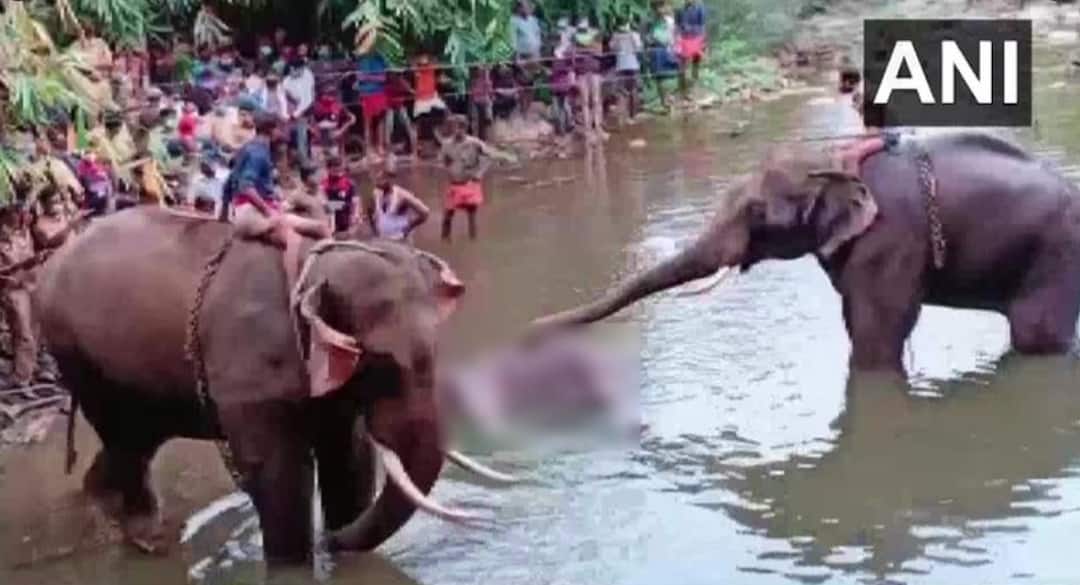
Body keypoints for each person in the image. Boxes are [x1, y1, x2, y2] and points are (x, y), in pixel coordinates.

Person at [439, 115, 515, 241]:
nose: (456, 131)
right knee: (447, 216)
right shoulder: (446, 144)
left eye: (459, 128)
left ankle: (473, 242)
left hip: (470, 184)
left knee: (471, 217)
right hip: (454, 184)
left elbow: (490, 155)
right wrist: (449, 170)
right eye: (454, 128)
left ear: (465, 128)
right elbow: (444, 162)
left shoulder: (474, 143)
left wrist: (480, 173)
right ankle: (445, 242)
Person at [0, 204, 41, 388]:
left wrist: (36, 260)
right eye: (14, 213)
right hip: (12, 290)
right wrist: (20, 266)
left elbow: (29, 260)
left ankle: (27, 371)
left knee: (32, 332)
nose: (18, 217)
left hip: (30, 287)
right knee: (23, 334)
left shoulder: (23, 235)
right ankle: (21, 377)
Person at [369, 160, 429, 242]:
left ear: (389, 179)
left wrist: (408, 228)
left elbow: (425, 212)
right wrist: (374, 230)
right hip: (382, 240)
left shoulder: (402, 195)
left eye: (380, 179)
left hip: (400, 240)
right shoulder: (376, 193)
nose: (377, 183)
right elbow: (369, 210)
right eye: (376, 180)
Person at [574, 17, 606, 143]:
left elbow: (599, 52)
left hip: (595, 73)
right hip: (582, 73)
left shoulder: (596, 36)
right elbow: (573, 54)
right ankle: (588, 130)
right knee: (585, 102)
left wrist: (585, 50)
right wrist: (588, 50)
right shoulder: (575, 38)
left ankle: (598, 127)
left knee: (596, 100)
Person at [355, 45, 390, 157]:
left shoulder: (380, 59)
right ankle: (369, 148)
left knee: (380, 121)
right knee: (367, 123)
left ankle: (380, 146)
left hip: (379, 92)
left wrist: (368, 77)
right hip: (366, 93)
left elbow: (383, 78)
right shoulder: (361, 60)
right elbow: (359, 77)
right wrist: (369, 78)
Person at [648, 3, 680, 109]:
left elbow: (674, 35)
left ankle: (669, 97)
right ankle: (664, 101)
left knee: (670, 75)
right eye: (658, 7)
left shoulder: (669, 21)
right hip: (657, 51)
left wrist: (675, 47)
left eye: (662, 7)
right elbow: (647, 37)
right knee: (660, 77)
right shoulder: (650, 22)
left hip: (667, 50)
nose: (660, 10)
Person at [610, 22, 644, 122]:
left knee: (622, 91)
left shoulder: (615, 36)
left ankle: (624, 116)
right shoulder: (634, 35)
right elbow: (639, 48)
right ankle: (632, 116)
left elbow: (612, 48)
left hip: (621, 65)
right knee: (632, 90)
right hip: (632, 65)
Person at [312, 86, 356, 162]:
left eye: (332, 94)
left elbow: (352, 118)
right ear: (321, 95)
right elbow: (306, 121)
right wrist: (313, 130)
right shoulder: (316, 106)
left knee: (333, 163)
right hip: (318, 142)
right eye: (327, 94)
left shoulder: (338, 105)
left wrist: (341, 130)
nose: (330, 96)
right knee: (319, 164)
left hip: (332, 140)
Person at [676, 0, 707, 99]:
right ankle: (683, 89)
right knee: (683, 64)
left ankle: (694, 86)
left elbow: (702, 24)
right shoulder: (680, 8)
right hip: (684, 38)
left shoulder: (699, 7)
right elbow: (677, 24)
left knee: (696, 62)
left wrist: (703, 40)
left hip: (696, 37)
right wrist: (678, 36)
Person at [321, 156, 358, 234]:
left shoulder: (348, 182)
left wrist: (355, 214)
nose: (338, 172)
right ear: (328, 169)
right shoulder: (324, 184)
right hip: (330, 219)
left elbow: (355, 200)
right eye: (334, 170)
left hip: (346, 217)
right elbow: (322, 203)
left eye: (339, 169)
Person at [385, 71, 418, 157]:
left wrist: (413, 91)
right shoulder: (385, 82)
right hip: (389, 107)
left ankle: (414, 150)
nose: (392, 76)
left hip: (400, 106)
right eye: (391, 74)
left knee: (408, 125)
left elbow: (411, 91)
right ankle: (388, 151)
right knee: (389, 127)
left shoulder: (400, 81)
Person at [469, 66, 494, 140]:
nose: (479, 72)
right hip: (475, 102)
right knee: (475, 121)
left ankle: (487, 137)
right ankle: (476, 137)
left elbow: (490, 91)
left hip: (485, 101)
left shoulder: (487, 80)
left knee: (487, 120)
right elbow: (471, 93)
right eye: (478, 70)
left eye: (481, 70)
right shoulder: (473, 81)